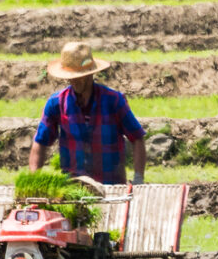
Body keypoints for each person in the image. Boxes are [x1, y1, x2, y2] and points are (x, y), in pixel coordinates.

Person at [30, 41, 146, 186]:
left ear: (91, 74)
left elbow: (137, 138)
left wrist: (138, 178)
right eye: (71, 76)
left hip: (111, 186)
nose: (75, 80)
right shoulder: (56, 103)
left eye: (80, 76)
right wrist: (34, 180)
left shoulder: (114, 101)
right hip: (73, 188)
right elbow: (40, 142)